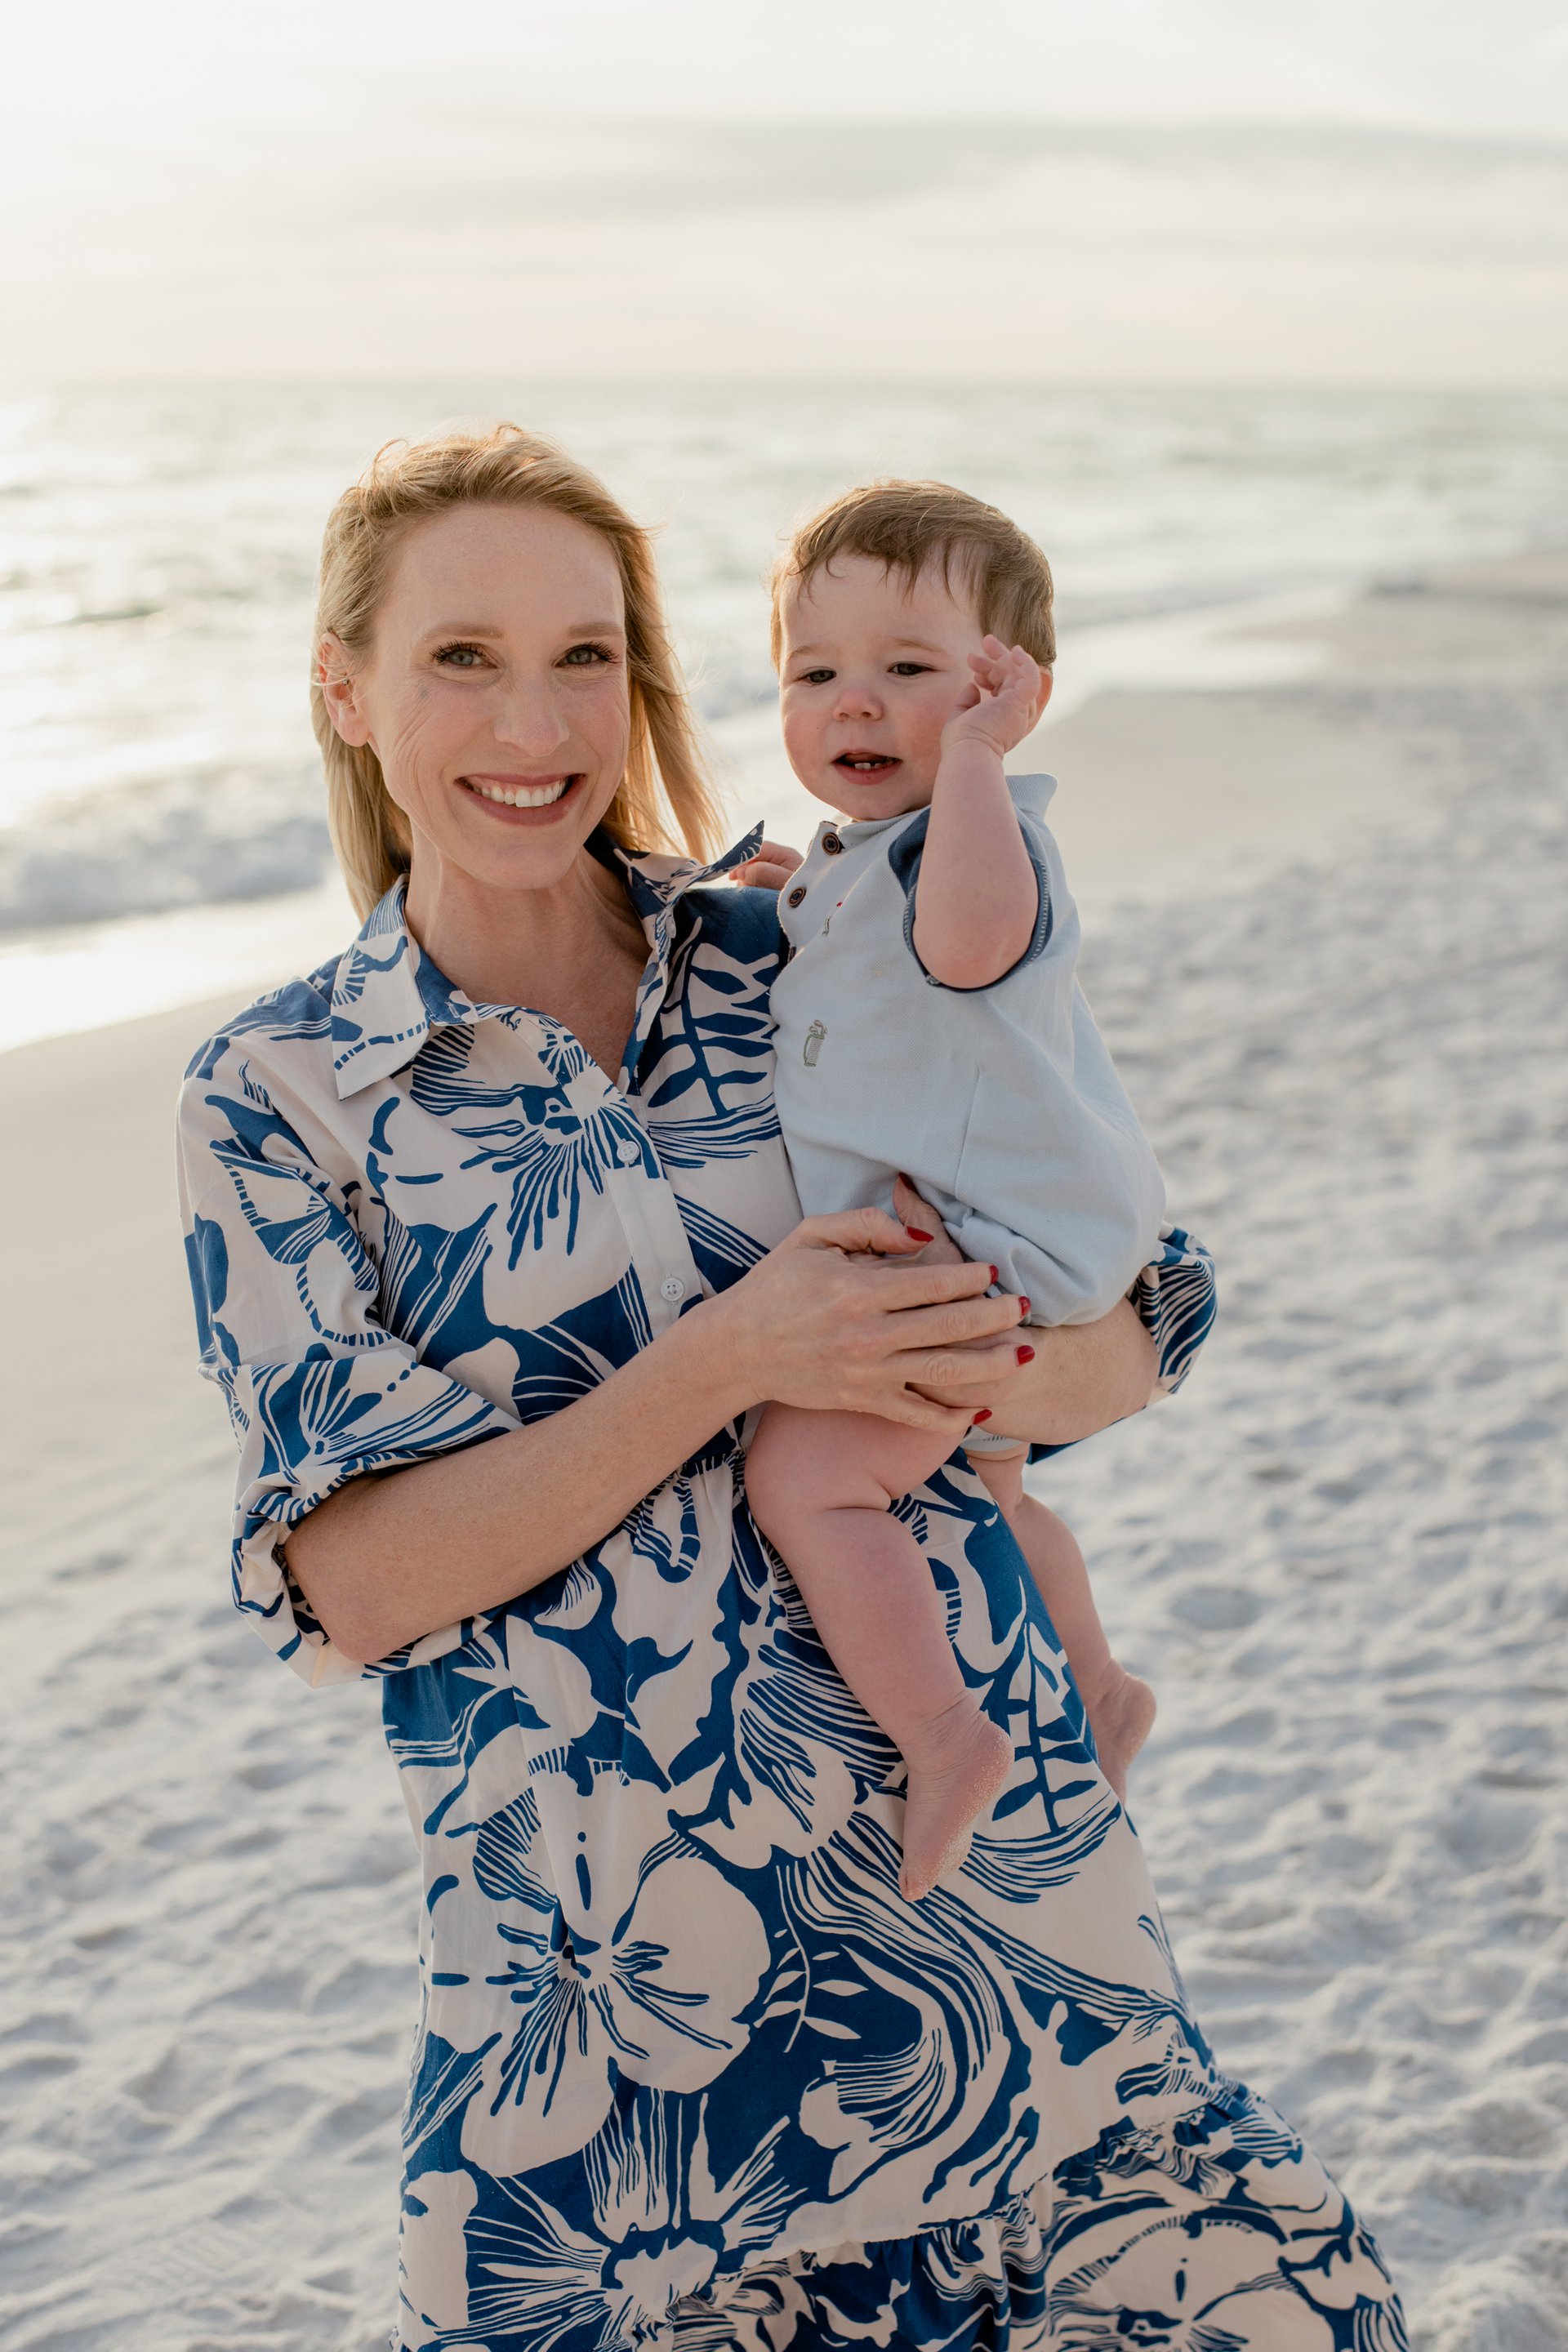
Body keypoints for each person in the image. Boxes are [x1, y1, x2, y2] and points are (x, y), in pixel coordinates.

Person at [176, 423, 1406, 2351]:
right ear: (345, 688)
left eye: (587, 656)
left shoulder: (803, 941)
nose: (536, 723)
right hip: (608, 2020)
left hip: (1006, 1923)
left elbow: (1145, 1311)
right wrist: (735, 1361)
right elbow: (356, 1581)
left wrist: (984, 1362)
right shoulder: (282, 1098)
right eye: (462, 658)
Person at [742, 482, 1162, 1901]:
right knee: (994, 1489)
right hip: (991, 1231)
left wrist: (979, 761)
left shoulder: (979, 837)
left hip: (995, 1245)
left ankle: (942, 1735)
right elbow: (876, 953)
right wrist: (788, 896)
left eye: (909, 669)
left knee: (807, 1477)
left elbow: (969, 944)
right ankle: (1098, 1685)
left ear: (1007, 689)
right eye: (813, 675)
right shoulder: (869, 854)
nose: (853, 702)